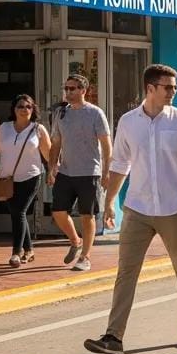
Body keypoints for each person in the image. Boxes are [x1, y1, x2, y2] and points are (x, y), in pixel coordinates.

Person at [84, 65, 177, 354]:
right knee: (126, 272)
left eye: (174, 87)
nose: (173, 92)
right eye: (168, 87)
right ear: (150, 88)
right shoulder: (128, 122)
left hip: (173, 207)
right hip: (137, 206)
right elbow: (120, 164)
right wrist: (110, 200)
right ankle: (114, 336)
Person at [48, 74, 112, 273]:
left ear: (84, 91)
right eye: (66, 88)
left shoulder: (95, 113)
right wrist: (52, 167)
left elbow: (106, 144)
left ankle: (85, 257)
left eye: (73, 88)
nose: (68, 92)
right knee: (58, 211)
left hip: (89, 172)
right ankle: (75, 241)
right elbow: (55, 143)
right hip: (66, 171)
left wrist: (106, 170)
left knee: (87, 215)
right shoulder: (61, 114)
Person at [0, 96, 51, 267]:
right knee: (16, 213)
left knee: (19, 211)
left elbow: (49, 154)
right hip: (7, 179)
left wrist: (54, 172)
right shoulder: (4, 128)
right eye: (20, 106)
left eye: (28, 106)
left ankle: (16, 252)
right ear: (14, 109)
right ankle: (29, 250)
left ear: (33, 109)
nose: (25, 109)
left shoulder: (38, 129)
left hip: (31, 176)